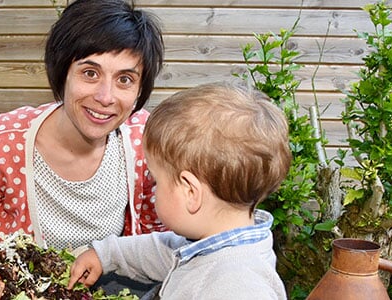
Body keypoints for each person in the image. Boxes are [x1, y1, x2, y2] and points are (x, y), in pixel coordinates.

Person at [0, 0, 166, 250]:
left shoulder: (144, 138)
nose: (105, 97)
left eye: (124, 79)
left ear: (139, 90)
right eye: (90, 73)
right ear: (61, 72)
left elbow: (152, 238)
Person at [66, 80, 292, 299]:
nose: (153, 191)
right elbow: (164, 251)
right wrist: (105, 255)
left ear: (190, 192)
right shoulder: (212, 244)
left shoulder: (238, 287)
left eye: (157, 182)